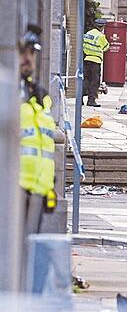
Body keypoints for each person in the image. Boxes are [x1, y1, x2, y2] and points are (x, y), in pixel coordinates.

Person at [19, 24, 58, 237]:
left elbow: (43, 146)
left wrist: (49, 186)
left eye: (32, 52)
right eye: (23, 52)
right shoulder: (8, 91)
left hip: (37, 195)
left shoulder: (40, 96)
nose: (28, 58)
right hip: (11, 193)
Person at [82, 19, 109, 107]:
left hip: (86, 59)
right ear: (102, 27)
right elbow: (106, 47)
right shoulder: (100, 36)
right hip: (95, 61)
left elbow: (83, 45)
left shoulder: (88, 34)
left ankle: (80, 99)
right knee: (94, 82)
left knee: (85, 80)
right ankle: (91, 100)